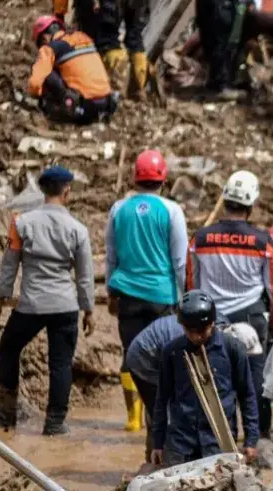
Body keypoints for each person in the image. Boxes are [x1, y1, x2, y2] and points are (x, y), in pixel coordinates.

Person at [0, 166, 95, 436]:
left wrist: (0, 299)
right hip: (65, 306)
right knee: (60, 363)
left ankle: (7, 410)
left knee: (9, 347)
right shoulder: (78, 230)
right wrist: (88, 310)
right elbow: (85, 275)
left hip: (31, 305)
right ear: (67, 191)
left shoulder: (21, 223)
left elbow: (9, 264)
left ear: (43, 190)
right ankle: (55, 422)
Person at [187, 170, 273, 438]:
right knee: (256, 381)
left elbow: (193, 284)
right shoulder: (263, 242)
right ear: (251, 205)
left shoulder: (201, 239)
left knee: (216, 380)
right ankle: (258, 437)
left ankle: (219, 436)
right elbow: (272, 288)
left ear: (225, 201)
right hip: (252, 317)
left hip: (211, 319)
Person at [106, 150, 188, 433]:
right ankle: (158, 420)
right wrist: (185, 296)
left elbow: (111, 255)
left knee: (132, 354)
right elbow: (179, 261)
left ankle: (133, 419)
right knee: (164, 358)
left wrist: (110, 291)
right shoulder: (172, 210)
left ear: (134, 178)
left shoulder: (119, 209)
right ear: (164, 179)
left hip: (127, 295)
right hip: (162, 298)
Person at [152, 290, 260, 467]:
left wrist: (251, 439)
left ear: (212, 323)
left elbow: (247, 395)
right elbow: (161, 399)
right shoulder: (172, 352)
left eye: (201, 331)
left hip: (218, 443)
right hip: (181, 443)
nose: (196, 337)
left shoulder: (233, 349)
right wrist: (157, 442)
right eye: (189, 331)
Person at [126, 309, 232, 460]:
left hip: (149, 348)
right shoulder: (190, 336)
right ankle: (160, 459)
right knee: (166, 410)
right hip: (144, 358)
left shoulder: (213, 326)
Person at [28, 16, 117, 124]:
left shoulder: (49, 48)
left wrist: (36, 96)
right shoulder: (84, 38)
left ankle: (65, 107)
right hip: (107, 104)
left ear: (44, 37)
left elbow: (35, 83)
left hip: (83, 109)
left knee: (45, 70)